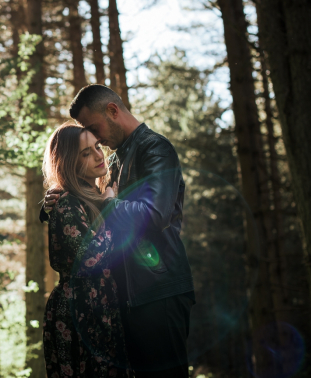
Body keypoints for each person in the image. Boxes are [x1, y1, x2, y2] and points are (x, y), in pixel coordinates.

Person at [44, 85, 195, 378]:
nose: (95, 139)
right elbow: (87, 201)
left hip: (157, 291)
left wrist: (109, 202)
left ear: (113, 110)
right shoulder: (113, 159)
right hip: (124, 297)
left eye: (92, 128)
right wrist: (55, 198)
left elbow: (155, 215)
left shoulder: (155, 149)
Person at [41, 122, 131, 378]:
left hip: (102, 306)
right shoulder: (68, 203)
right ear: (69, 161)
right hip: (80, 309)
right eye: (85, 153)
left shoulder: (94, 194)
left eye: (97, 147)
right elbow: (91, 258)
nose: (98, 155)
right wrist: (111, 207)